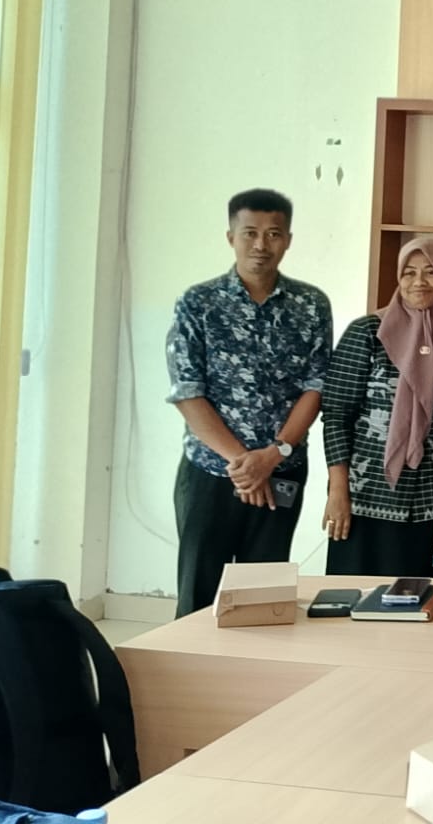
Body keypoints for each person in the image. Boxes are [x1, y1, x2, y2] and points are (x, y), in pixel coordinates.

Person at [165, 189, 332, 616]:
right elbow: (187, 391)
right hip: (212, 472)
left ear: (288, 240)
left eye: (273, 234)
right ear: (231, 237)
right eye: (250, 233)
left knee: (265, 600)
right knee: (200, 597)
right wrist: (245, 465)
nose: (261, 244)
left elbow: (316, 387)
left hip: (282, 472)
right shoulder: (198, 303)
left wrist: (272, 456)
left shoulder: (311, 305)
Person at [320, 237, 433, 578]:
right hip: (365, 500)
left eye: (431, 272)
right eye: (409, 272)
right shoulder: (368, 333)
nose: (418, 281)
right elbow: (336, 416)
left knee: (429, 601)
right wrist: (338, 491)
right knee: (357, 600)